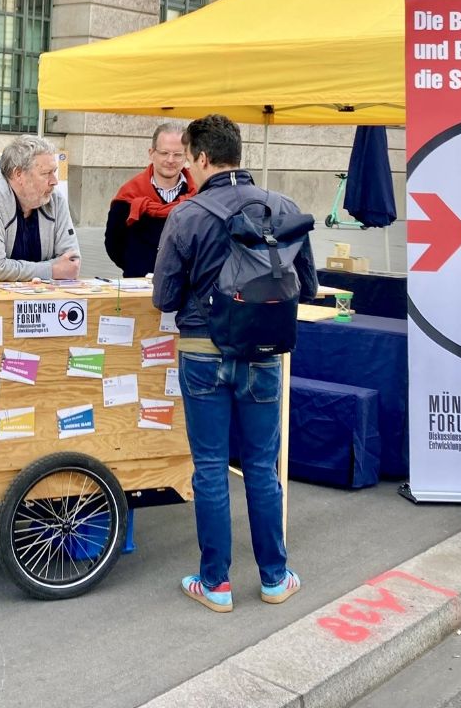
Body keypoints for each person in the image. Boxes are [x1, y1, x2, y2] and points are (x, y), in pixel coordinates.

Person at [152, 114, 317, 613]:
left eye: (188, 160)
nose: (186, 170)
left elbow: (164, 297)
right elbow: (306, 287)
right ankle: (274, 577)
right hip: (265, 355)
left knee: (209, 468)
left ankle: (216, 583)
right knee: (263, 467)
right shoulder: (284, 207)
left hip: (202, 352)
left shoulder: (186, 215)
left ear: (202, 158)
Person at [0, 135, 80, 281]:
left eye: (54, 172)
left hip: (39, 299)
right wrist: (51, 270)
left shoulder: (55, 200)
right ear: (19, 174)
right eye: (46, 173)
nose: (54, 181)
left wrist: (51, 270)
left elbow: (71, 263)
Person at [104, 121, 194, 277]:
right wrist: (136, 266)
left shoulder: (198, 195)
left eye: (178, 154)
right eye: (164, 153)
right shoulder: (129, 194)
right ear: (152, 153)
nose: (170, 160)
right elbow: (113, 243)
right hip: (138, 285)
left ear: (187, 156)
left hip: (186, 289)